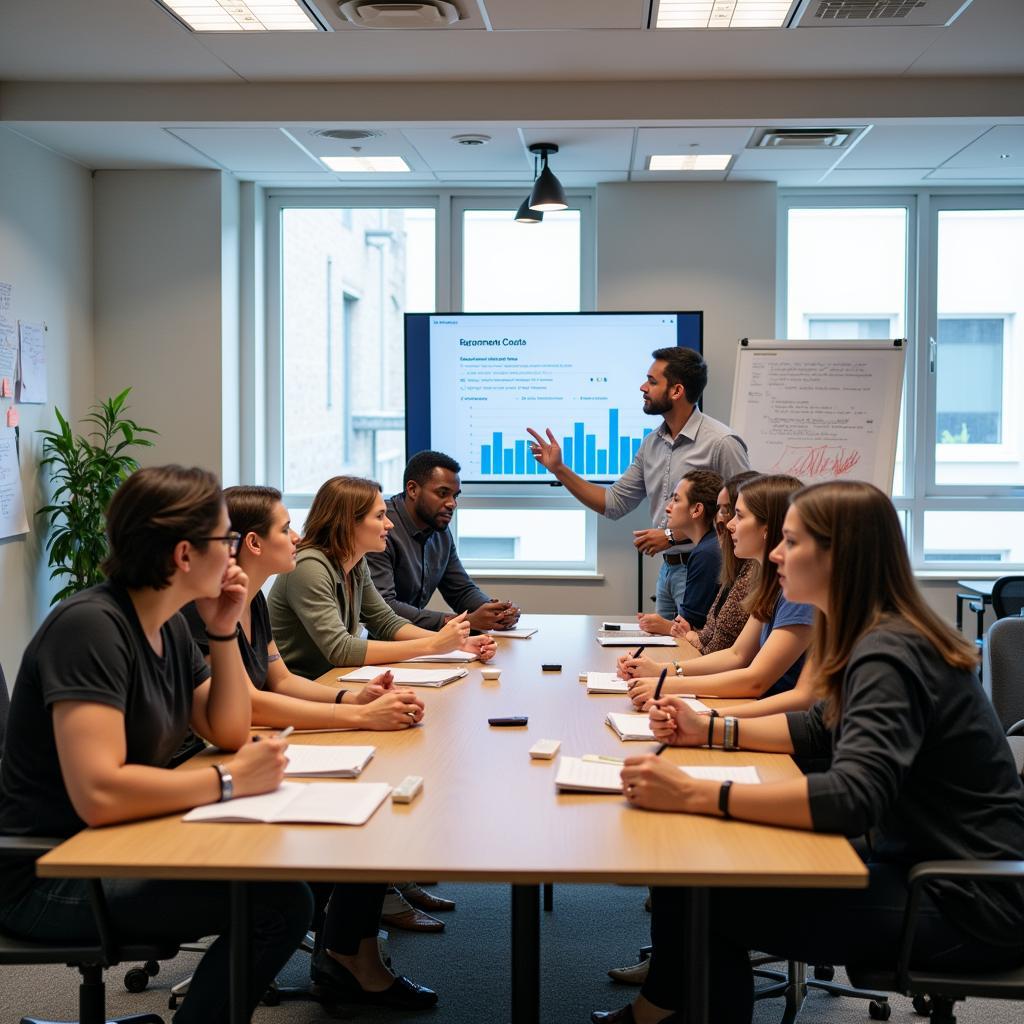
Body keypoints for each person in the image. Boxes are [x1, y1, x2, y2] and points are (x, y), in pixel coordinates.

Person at [603, 480, 1024, 1024]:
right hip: (923, 864)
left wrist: (694, 791)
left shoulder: (889, 652)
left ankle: (660, 1015)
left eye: (793, 542)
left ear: (839, 556)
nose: (776, 552)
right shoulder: (874, 632)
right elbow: (821, 730)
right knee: (700, 876)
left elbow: (851, 798)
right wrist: (709, 731)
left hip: (964, 901)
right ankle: (660, 1013)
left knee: (712, 900)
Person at [0, 465, 312, 1024]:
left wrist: (222, 631)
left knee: (280, 879)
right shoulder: (90, 628)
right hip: (51, 873)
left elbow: (229, 730)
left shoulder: (166, 621)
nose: (236, 553)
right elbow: (100, 791)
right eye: (227, 541)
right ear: (185, 556)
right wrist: (231, 781)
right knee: (277, 902)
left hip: (120, 842)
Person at [185, 484, 440, 1002]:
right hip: (209, 761)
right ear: (253, 543)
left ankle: (346, 948)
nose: (296, 537)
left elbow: (276, 682)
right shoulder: (211, 607)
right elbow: (248, 704)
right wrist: (361, 716)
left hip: (245, 743)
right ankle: (346, 951)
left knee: (373, 794)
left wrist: (350, 703)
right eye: (284, 528)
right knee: (366, 806)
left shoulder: (248, 599)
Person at [528, 347, 749, 620]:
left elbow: (747, 515)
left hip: (707, 570)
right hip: (668, 571)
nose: (643, 387)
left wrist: (670, 536)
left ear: (677, 391)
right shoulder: (651, 444)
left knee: (694, 653)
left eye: (653, 381)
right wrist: (559, 470)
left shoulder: (721, 443)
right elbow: (613, 503)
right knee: (665, 654)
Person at [268, 475, 496, 678]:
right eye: (379, 516)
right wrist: (433, 645)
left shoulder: (355, 562)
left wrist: (458, 644)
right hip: (306, 688)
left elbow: (386, 622)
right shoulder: (309, 567)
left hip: (333, 680)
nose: (389, 524)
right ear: (348, 522)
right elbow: (341, 650)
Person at [619, 475, 812, 707]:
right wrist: (661, 670)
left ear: (767, 529)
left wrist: (662, 683)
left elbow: (756, 680)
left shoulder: (799, 595)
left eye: (739, 516)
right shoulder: (770, 584)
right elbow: (736, 655)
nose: (729, 524)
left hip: (772, 714)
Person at [367, 450, 521, 633]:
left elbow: (460, 589)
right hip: (377, 640)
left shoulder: (439, 531)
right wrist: (461, 622)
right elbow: (384, 607)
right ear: (412, 490)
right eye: (442, 493)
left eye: (455, 496)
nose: (452, 504)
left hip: (412, 640)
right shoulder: (382, 529)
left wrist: (494, 612)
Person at [668, 470, 760, 654]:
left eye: (733, 513)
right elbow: (708, 637)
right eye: (720, 510)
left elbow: (731, 655)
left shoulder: (708, 554)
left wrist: (673, 669)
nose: (724, 521)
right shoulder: (740, 567)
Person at [634, 470, 723, 635]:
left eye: (676, 500)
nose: (668, 507)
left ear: (696, 510)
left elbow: (694, 627)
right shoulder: (709, 545)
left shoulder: (706, 554)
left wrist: (664, 626)